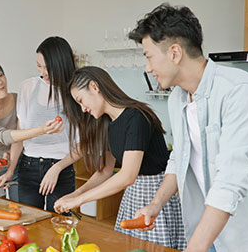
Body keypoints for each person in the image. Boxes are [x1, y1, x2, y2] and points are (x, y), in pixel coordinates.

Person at [128, 3, 248, 252]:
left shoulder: (238, 91)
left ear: (174, 53)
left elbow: (230, 182)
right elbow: (179, 158)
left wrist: (194, 247)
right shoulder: (177, 99)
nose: (148, 68)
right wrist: (155, 205)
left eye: (148, 56)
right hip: (218, 230)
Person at [53, 66, 186, 250]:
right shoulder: (107, 123)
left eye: (81, 100)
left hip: (155, 196)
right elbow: (105, 172)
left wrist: (78, 201)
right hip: (132, 196)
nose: (83, 109)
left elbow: (127, 176)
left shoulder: (136, 117)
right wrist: (76, 194)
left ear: (94, 87)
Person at [0, 58, 63, 201]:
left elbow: (20, 136)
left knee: (21, 209)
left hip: (20, 164)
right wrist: (42, 129)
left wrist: (11, 168)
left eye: (0, 75)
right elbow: (2, 135)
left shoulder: (18, 99)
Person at [0, 36, 78, 212]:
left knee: (58, 225)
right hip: (28, 167)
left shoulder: (75, 91)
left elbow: (82, 144)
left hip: (62, 168)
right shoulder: (28, 87)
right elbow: (21, 133)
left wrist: (56, 168)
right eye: (39, 66)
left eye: (48, 67)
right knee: (28, 222)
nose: (43, 72)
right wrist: (11, 169)